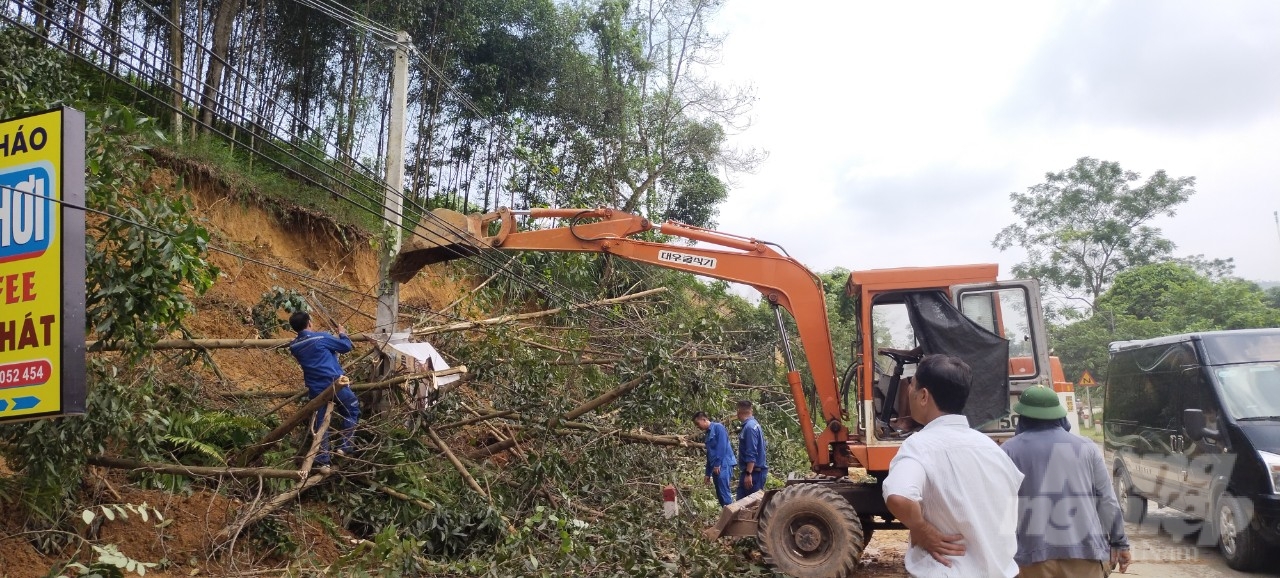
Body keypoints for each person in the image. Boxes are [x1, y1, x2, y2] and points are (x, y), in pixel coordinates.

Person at [882, 354, 1024, 578]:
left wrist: (921, 529)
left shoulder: (920, 446)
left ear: (923, 396)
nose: (909, 391)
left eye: (912, 385)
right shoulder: (992, 450)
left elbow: (899, 496)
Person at [1002, 385, 1132, 577]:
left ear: (1023, 417)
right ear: (1059, 416)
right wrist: (1119, 543)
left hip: (1032, 558)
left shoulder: (1008, 451)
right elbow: (1107, 500)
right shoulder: (1087, 448)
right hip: (1085, 555)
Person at [288, 311, 360, 471]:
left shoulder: (294, 346)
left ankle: (322, 459)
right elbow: (346, 347)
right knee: (352, 409)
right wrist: (342, 334)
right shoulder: (321, 337)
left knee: (321, 423)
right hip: (335, 384)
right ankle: (345, 446)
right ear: (309, 323)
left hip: (315, 389)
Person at [693, 411, 737, 506]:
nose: (698, 427)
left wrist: (718, 464)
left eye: (698, 423)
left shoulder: (718, 428)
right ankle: (726, 515)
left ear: (704, 420)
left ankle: (732, 516)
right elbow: (709, 454)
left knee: (724, 492)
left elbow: (722, 446)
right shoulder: (708, 434)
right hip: (715, 466)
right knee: (720, 494)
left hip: (724, 463)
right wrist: (707, 473)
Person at [735, 400, 768, 500]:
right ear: (751, 411)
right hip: (754, 472)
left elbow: (751, 452)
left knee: (748, 506)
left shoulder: (749, 428)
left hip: (754, 473)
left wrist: (748, 474)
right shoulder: (754, 424)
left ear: (739, 411)